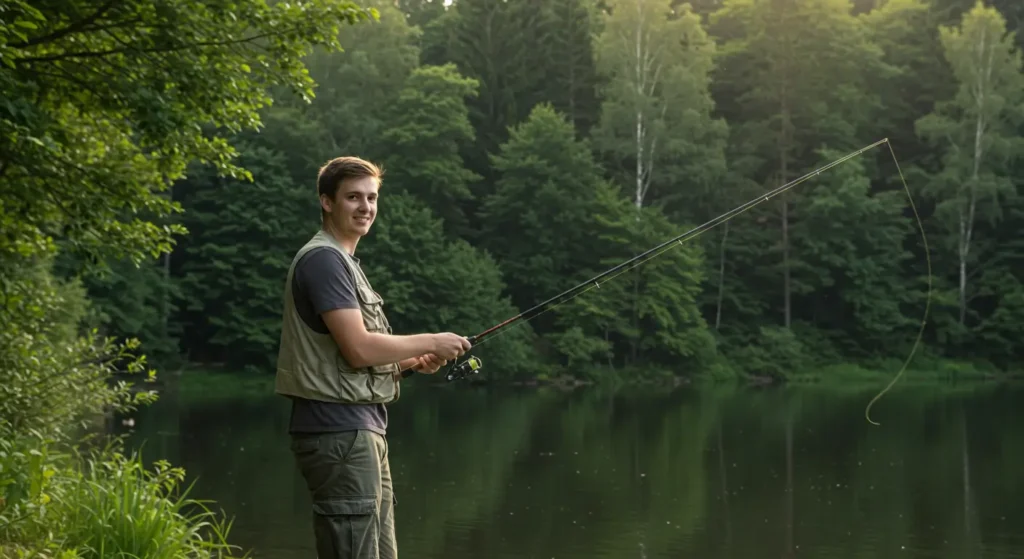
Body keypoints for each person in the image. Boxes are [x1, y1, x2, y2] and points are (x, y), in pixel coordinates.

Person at [274, 155, 471, 558]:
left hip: (359, 430)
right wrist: (431, 341)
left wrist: (406, 362)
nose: (366, 207)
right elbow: (359, 347)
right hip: (339, 432)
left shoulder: (344, 262)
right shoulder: (324, 260)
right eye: (353, 197)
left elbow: (346, 356)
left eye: (372, 198)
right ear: (327, 202)